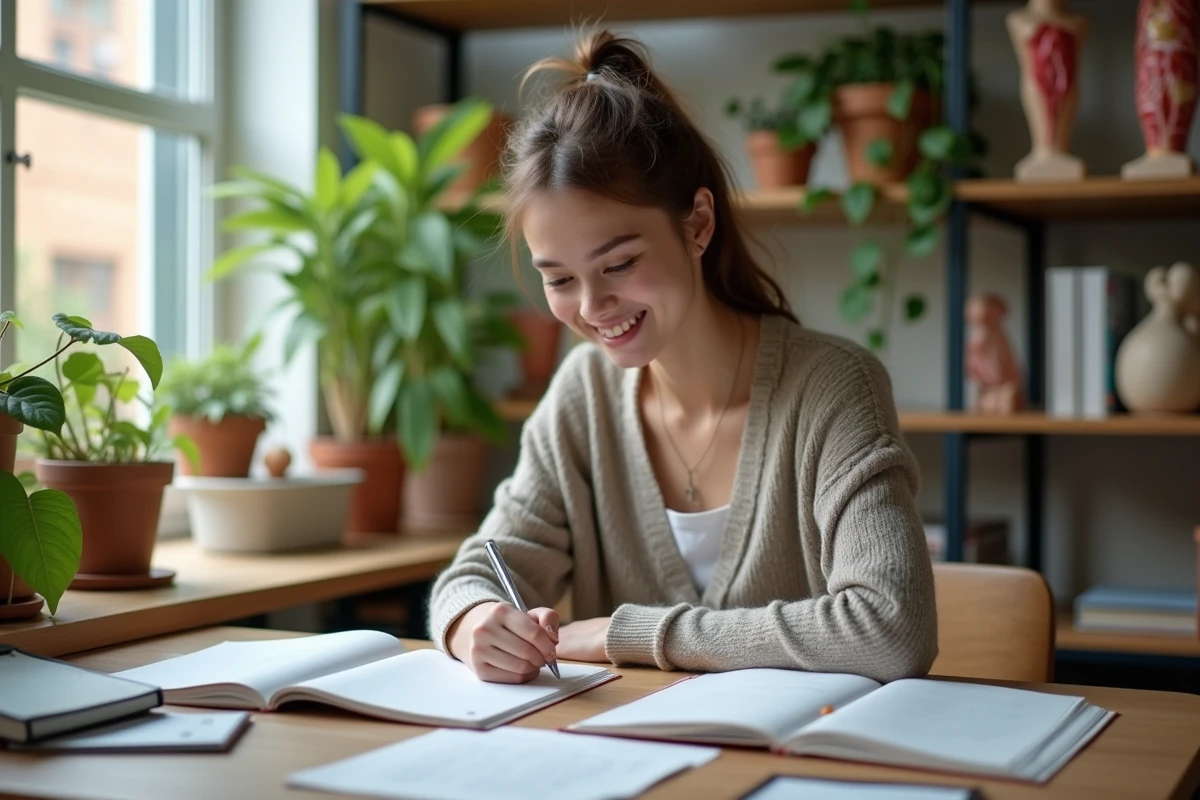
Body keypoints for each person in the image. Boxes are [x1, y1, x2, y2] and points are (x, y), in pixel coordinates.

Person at [427, 29, 938, 685]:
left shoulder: (833, 389)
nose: (592, 305)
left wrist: (628, 634)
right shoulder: (582, 393)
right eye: (558, 279)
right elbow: (476, 571)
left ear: (697, 224)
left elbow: (893, 631)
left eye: (620, 263)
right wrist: (475, 623)